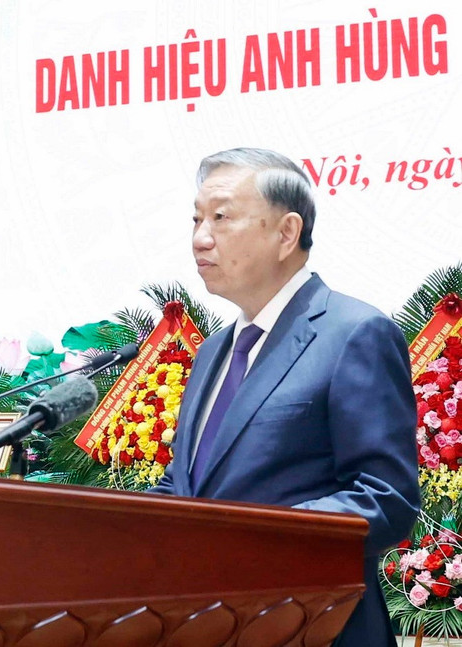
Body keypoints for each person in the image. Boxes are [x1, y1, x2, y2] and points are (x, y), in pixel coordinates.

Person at [149, 147, 419, 646]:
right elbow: (184, 486)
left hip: (313, 627)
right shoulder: (212, 352)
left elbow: (387, 498)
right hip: (211, 626)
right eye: (196, 219)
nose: (200, 238)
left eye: (221, 217)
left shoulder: (354, 333)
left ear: (286, 233)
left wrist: (244, 541)